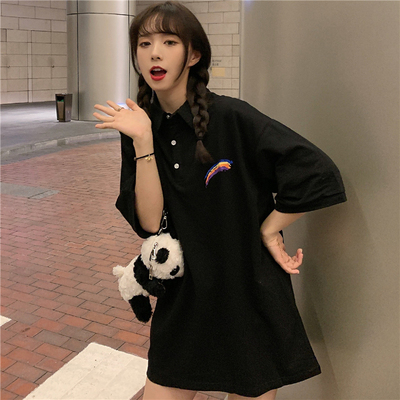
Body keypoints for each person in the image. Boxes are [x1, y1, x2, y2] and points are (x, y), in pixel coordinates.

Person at [93, 2, 346, 399]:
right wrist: (142, 140)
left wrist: (270, 228)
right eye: (144, 43)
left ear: (193, 54)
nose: (155, 53)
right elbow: (149, 221)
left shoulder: (232, 116)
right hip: (184, 296)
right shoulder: (140, 128)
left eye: (169, 42)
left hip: (248, 293)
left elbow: (317, 172)